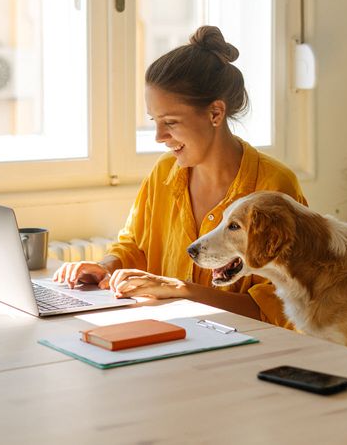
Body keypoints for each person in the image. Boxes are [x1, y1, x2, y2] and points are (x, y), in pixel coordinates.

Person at [52, 26, 305, 325]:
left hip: (244, 351)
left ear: (215, 113)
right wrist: (105, 267)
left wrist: (183, 291)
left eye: (170, 121)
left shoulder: (274, 187)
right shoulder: (164, 173)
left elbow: (278, 311)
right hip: (168, 336)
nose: (159, 136)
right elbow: (135, 246)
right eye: (154, 121)